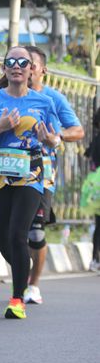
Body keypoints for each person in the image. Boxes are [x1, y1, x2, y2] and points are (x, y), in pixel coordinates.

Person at [0, 46, 60, 319]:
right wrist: (0, 127)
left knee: (18, 234)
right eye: (11, 61)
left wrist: (48, 139)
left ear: (31, 69)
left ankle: (17, 299)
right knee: (4, 241)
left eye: (23, 62)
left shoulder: (44, 102)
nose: (17, 66)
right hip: (0, 176)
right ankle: (23, 266)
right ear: (4, 68)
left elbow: (55, 139)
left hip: (31, 175)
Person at [23, 45, 84, 304]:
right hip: (8, 174)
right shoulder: (4, 95)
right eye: (20, 63)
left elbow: (77, 131)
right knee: (13, 234)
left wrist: (56, 136)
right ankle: (20, 280)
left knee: (36, 233)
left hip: (41, 173)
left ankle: (32, 286)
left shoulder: (53, 99)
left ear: (43, 70)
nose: (25, 69)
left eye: (31, 65)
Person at [85, 107, 100, 271]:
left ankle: (95, 259)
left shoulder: (95, 139)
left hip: (95, 186)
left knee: (98, 223)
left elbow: (87, 154)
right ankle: (96, 258)